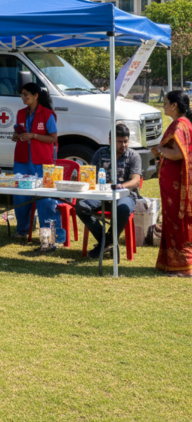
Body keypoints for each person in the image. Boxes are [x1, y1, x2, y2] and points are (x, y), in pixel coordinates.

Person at [75, 124, 142, 259]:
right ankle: (106, 241)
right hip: (101, 195)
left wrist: (121, 186)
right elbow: (91, 174)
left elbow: (135, 180)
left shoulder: (133, 155)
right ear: (110, 140)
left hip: (125, 195)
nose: (123, 145)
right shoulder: (100, 153)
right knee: (81, 206)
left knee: (123, 209)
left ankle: (106, 242)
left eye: (126, 141)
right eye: (119, 142)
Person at [11, 82, 64, 242]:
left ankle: (52, 237)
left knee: (45, 199)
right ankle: (22, 230)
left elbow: (53, 138)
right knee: (20, 196)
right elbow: (18, 133)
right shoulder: (20, 114)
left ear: (36, 96)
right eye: (22, 94)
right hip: (22, 159)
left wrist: (33, 136)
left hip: (43, 161)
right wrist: (16, 136)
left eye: (26, 95)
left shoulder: (47, 114)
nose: (23, 97)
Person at [152, 90, 192, 277]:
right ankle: (170, 263)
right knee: (172, 221)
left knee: (177, 221)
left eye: (166, 103)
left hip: (177, 186)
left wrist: (160, 150)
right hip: (175, 184)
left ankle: (182, 267)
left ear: (175, 105)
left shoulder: (179, 125)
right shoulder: (184, 124)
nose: (164, 106)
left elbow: (177, 153)